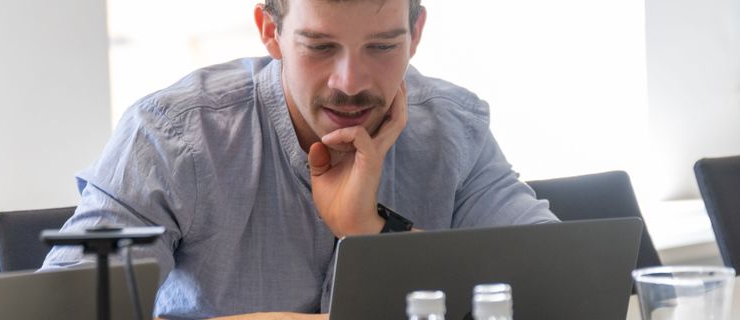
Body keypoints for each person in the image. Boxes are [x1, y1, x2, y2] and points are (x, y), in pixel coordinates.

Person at [40, 0, 560, 318]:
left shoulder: (453, 127)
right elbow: (66, 314)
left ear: (416, 33)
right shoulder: (172, 135)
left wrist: (375, 231)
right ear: (271, 32)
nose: (350, 82)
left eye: (382, 47)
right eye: (319, 47)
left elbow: (563, 286)